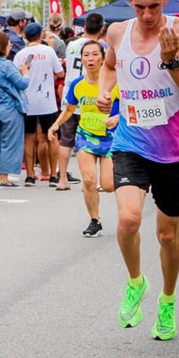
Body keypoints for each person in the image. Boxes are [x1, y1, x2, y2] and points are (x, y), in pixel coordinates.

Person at [98, 0, 179, 342]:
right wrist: (105, 89)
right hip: (130, 141)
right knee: (128, 219)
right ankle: (135, 282)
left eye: (154, 7)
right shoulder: (117, 32)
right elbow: (110, 65)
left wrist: (172, 61)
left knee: (167, 235)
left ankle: (168, 301)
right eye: (139, 7)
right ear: (129, 0)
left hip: (174, 149)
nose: (146, 15)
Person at [49, 40, 119, 237]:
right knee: (88, 180)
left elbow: (129, 105)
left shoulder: (115, 82)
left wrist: (117, 117)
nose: (90, 59)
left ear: (103, 58)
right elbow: (70, 109)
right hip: (86, 135)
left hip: (110, 137)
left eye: (95, 54)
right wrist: (56, 125)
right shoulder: (77, 85)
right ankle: (95, 220)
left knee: (108, 185)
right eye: (86, 55)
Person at [58, 13, 105, 189]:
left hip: (71, 96)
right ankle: (99, 179)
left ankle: (62, 178)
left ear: (84, 28)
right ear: (102, 29)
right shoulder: (101, 47)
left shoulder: (71, 45)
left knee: (65, 140)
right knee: (99, 137)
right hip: (92, 98)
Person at [15, 22, 64, 187]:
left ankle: (29, 175)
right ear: (40, 36)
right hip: (47, 101)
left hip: (27, 101)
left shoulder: (20, 54)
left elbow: (17, 78)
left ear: (25, 36)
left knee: (29, 138)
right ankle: (52, 175)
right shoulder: (49, 51)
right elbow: (60, 72)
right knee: (51, 137)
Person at [0, 32, 29, 188]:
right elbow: (23, 84)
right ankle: (4, 177)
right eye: (9, 44)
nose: (10, 47)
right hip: (11, 109)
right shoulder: (7, 65)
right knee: (10, 143)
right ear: (4, 47)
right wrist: (25, 73)